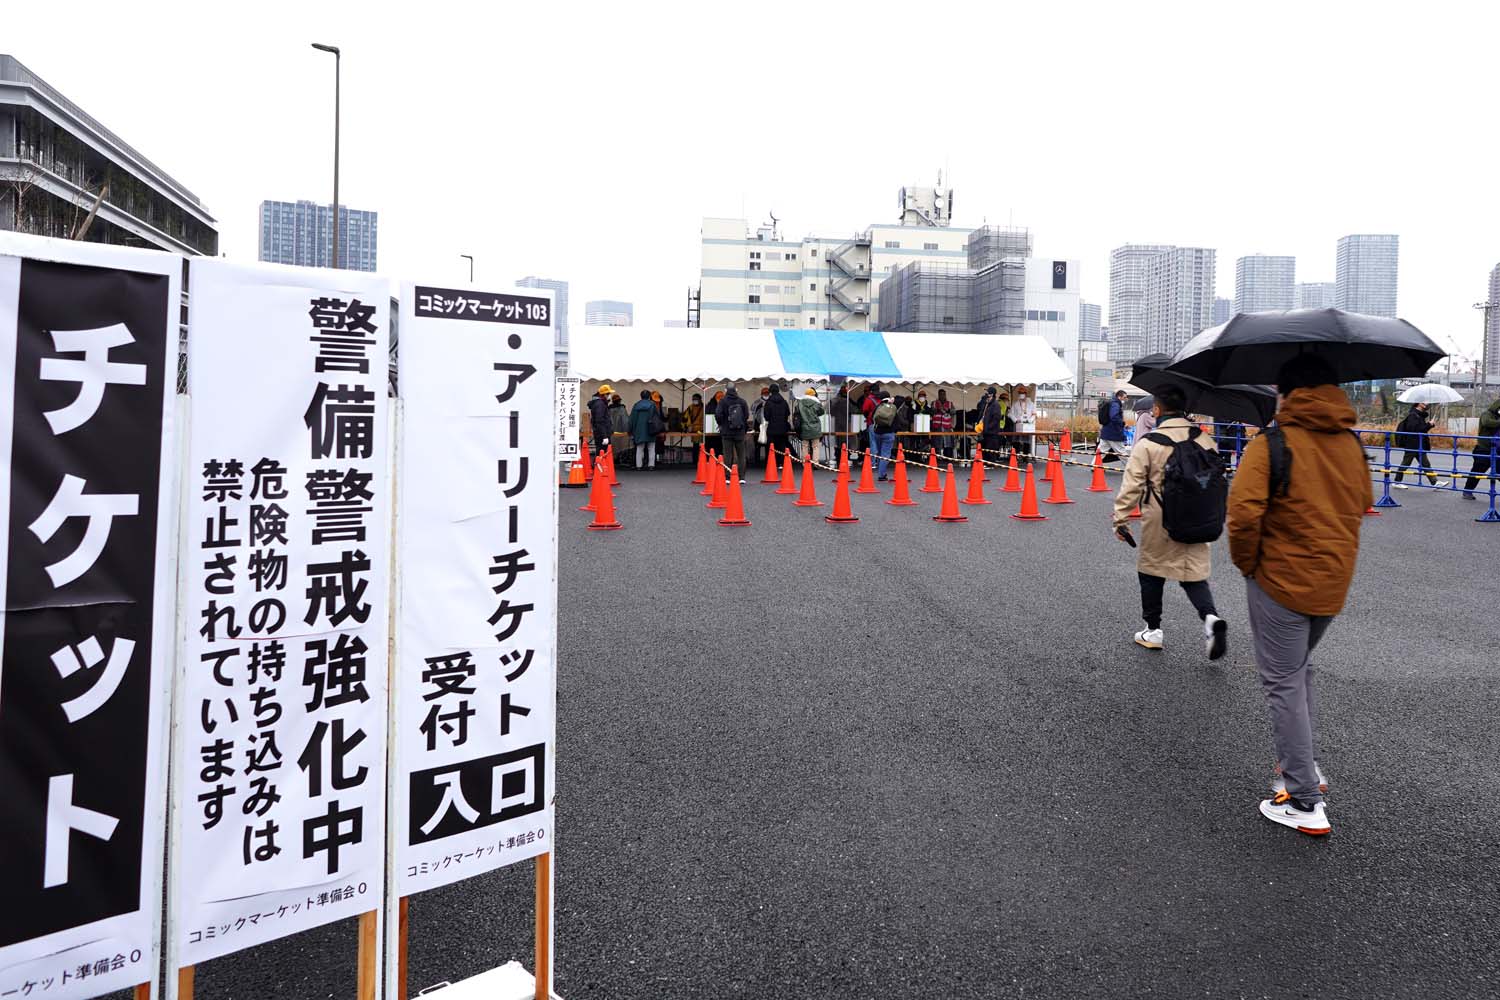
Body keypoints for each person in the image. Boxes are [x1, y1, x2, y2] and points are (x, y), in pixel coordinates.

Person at [1227, 355, 1371, 837]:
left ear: (1285, 393)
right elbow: (1362, 502)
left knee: (1282, 682)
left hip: (1280, 581)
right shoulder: (1350, 442)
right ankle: (1304, 767)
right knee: (1298, 670)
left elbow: (1244, 515)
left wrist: (1249, 565)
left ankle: (1305, 799)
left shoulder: (1273, 443)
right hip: (1333, 581)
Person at [1112, 386, 1228, 659]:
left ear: (1157, 410)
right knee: (1193, 574)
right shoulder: (1205, 440)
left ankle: (1153, 631)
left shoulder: (1150, 443)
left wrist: (1121, 520)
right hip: (1200, 517)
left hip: (1160, 518)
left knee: (1151, 571)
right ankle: (1211, 619)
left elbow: (1132, 487)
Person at [1392, 402, 1444, 489]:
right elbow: (1415, 430)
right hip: (1412, 444)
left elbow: (1421, 429)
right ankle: (1397, 482)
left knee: (1425, 464)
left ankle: (1435, 482)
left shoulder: (1419, 415)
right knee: (1406, 463)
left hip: (1418, 444)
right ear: (1418, 403)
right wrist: (1428, 425)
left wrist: (1429, 425)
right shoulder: (1413, 415)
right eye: (1424, 401)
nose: (1426, 403)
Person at [1462, 398, 1500, 499]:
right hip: (1484, 449)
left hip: (1496, 450)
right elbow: (1487, 422)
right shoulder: (1487, 414)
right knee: (1477, 471)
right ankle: (1467, 491)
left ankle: (1467, 491)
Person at [716, 383, 751, 481]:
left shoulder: (722, 402)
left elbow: (718, 415)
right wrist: (742, 424)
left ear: (725, 390)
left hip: (727, 432)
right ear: (736, 389)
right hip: (740, 432)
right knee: (741, 455)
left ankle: (727, 477)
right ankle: (741, 477)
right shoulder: (742, 401)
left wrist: (722, 424)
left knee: (727, 455)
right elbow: (746, 415)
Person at [628, 390, 660, 471]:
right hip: (651, 429)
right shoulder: (652, 405)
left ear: (641, 396)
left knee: (639, 448)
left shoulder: (636, 405)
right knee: (651, 448)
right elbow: (657, 417)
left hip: (639, 430)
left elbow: (632, 419)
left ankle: (639, 466)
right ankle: (651, 465)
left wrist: (631, 430)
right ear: (649, 396)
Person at [869, 394, 898, 480]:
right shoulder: (892, 408)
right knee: (885, 454)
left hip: (877, 433)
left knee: (880, 453)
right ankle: (882, 475)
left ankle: (881, 472)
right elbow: (897, 421)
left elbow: (871, 418)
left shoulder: (878, 407)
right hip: (889, 433)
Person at [1098, 390, 1129, 463]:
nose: (1125, 399)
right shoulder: (1115, 404)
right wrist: (1123, 423)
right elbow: (1114, 417)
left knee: (1102, 451)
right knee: (1121, 451)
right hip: (1114, 432)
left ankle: (1094, 466)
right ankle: (1130, 468)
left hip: (1106, 431)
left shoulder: (1111, 403)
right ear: (1119, 396)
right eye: (1124, 397)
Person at [977, 386, 1004, 465]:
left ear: (992, 394)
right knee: (984, 449)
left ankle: (990, 464)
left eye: (988, 393)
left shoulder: (995, 405)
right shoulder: (986, 404)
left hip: (992, 432)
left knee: (990, 449)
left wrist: (988, 428)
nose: (986, 394)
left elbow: (996, 419)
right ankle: (986, 463)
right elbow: (979, 409)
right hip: (985, 431)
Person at [763, 383, 791, 459]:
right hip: (783, 428)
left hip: (772, 428)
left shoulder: (768, 403)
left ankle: (772, 463)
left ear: (770, 391)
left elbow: (766, 417)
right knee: (782, 446)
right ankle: (781, 463)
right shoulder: (784, 402)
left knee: (771, 447)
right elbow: (788, 413)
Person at [795, 387, 824, 459]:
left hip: (804, 427)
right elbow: (822, 412)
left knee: (805, 446)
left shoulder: (800, 403)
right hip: (815, 427)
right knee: (815, 446)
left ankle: (805, 463)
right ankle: (815, 463)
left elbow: (797, 413)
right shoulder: (816, 403)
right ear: (813, 395)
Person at [588, 384, 614, 458]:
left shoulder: (599, 403)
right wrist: (604, 436)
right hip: (602, 434)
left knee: (601, 452)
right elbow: (600, 421)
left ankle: (598, 467)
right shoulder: (600, 404)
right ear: (603, 394)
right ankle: (598, 468)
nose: (609, 395)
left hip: (600, 433)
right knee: (602, 453)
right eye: (608, 394)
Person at [1011, 386, 1036, 458]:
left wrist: (1030, 420)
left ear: (1026, 394)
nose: (1021, 394)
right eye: (1020, 393)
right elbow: (1010, 413)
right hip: (1017, 424)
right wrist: (1015, 420)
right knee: (1016, 440)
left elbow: (1034, 414)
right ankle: (1015, 455)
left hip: (1027, 425)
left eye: (1023, 393)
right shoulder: (1015, 403)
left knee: (1027, 441)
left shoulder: (1031, 403)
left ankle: (1025, 457)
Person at [830, 384, 853, 463]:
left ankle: (837, 456)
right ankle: (846, 457)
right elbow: (853, 410)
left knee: (837, 441)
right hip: (846, 423)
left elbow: (831, 412)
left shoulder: (833, 400)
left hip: (836, 423)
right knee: (845, 441)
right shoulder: (847, 401)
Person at [931, 388, 956, 459]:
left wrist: (948, 410)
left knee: (947, 443)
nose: (942, 396)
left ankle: (947, 457)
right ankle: (936, 458)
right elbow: (931, 411)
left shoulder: (950, 403)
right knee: (936, 443)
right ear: (938, 395)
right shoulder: (934, 403)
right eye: (941, 394)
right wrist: (938, 409)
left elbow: (954, 412)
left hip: (946, 427)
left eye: (943, 394)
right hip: (937, 427)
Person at [750, 386, 770, 465]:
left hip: (768, 426)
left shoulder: (771, 402)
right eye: (764, 393)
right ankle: (757, 461)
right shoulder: (757, 402)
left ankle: (768, 460)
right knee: (757, 445)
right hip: (758, 426)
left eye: (767, 393)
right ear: (761, 394)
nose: (766, 394)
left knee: (768, 446)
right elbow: (752, 411)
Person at [910, 390, 932, 460]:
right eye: (920, 396)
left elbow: (931, 414)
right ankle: (915, 456)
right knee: (915, 441)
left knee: (925, 441)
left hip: (925, 427)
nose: (922, 397)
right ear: (918, 396)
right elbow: (910, 414)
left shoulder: (928, 405)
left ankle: (923, 454)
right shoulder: (914, 404)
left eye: (923, 396)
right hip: (916, 426)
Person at [705, 389, 724, 460]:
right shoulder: (711, 405)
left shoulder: (710, 405)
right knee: (713, 447)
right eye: (719, 398)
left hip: (715, 431)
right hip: (712, 431)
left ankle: (715, 460)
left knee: (717, 448)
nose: (720, 400)